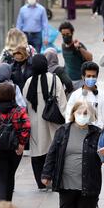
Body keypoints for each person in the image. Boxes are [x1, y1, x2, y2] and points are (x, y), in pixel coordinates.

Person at [41, 101, 102, 208]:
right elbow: (52, 153)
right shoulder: (63, 131)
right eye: (80, 112)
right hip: (66, 181)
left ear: (91, 116)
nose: (82, 116)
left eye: (86, 113)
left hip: (88, 181)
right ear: (73, 113)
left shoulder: (97, 133)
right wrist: (46, 174)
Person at [23, 54, 67, 191]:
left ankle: (41, 183)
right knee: (52, 150)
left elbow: (24, 103)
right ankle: (53, 179)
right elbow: (62, 101)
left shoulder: (29, 81)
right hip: (52, 122)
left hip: (34, 124)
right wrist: (67, 120)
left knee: (37, 152)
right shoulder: (54, 79)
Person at [0, 83, 31, 202]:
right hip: (15, 148)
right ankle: (8, 202)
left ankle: (2, 202)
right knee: (10, 175)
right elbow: (26, 127)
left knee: (1, 176)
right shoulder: (19, 111)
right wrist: (22, 143)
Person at [0, 64, 26, 184]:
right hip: (12, 130)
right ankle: (8, 181)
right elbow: (22, 106)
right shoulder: (13, 87)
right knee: (11, 157)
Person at [65, 62, 104, 130]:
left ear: (97, 77)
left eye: (93, 76)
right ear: (83, 77)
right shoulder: (75, 95)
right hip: (77, 132)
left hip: (96, 134)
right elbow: (68, 115)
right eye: (88, 76)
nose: (91, 78)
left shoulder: (103, 96)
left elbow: (103, 118)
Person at [59, 21, 93, 91]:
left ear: (72, 33)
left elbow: (90, 58)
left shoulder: (78, 45)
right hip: (69, 81)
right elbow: (67, 62)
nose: (65, 36)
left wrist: (79, 48)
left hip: (80, 81)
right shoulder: (63, 46)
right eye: (63, 35)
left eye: (67, 34)